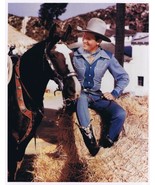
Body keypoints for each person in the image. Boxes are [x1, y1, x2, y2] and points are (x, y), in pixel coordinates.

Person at [72, 18, 129, 156]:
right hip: (80, 96)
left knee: (120, 113)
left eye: (89, 39)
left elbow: (123, 77)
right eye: (84, 37)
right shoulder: (73, 55)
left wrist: (114, 93)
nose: (84, 41)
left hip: (97, 96)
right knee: (82, 98)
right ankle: (90, 142)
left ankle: (107, 142)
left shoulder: (107, 57)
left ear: (98, 42)